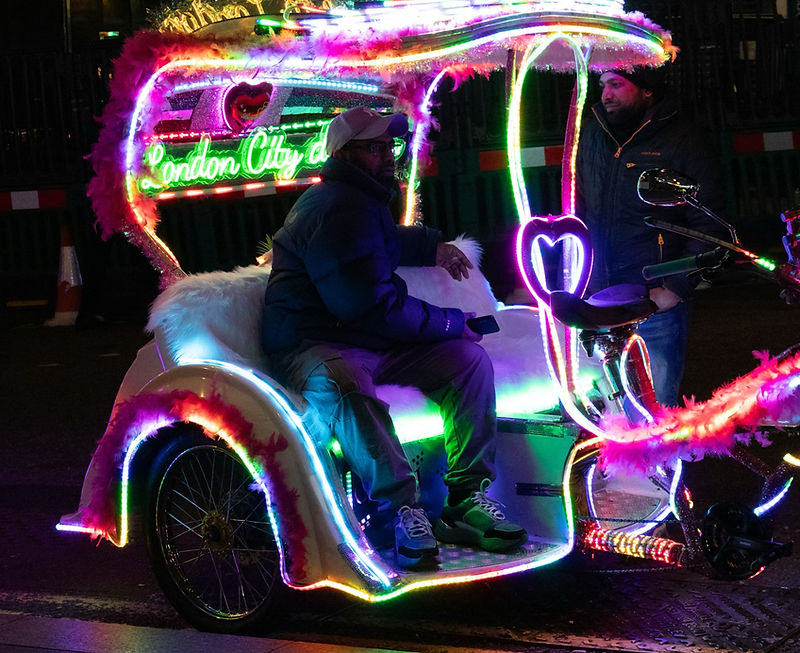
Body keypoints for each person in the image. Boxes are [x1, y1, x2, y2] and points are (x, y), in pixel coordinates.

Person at [261, 106, 526, 569]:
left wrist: (432, 246)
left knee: (466, 362)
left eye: (390, 147)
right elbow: (367, 304)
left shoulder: (359, 200)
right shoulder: (334, 208)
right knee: (346, 386)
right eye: (375, 147)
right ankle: (401, 509)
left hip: (363, 336)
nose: (388, 156)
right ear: (346, 154)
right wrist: (449, 321)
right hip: (311, 343)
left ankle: (465, 499)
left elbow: (382, 243)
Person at [575, 65, 727, 408]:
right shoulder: (592, 134)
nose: (606, 94)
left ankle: (661, 465)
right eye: (603, 85)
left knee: (653, 413)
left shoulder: (681, 139)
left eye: (617, 84)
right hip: (597, 298)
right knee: (607, 417)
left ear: (647, 90)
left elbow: (709, 220)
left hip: (651, 301)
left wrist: (675, 287)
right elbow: (577, 209)